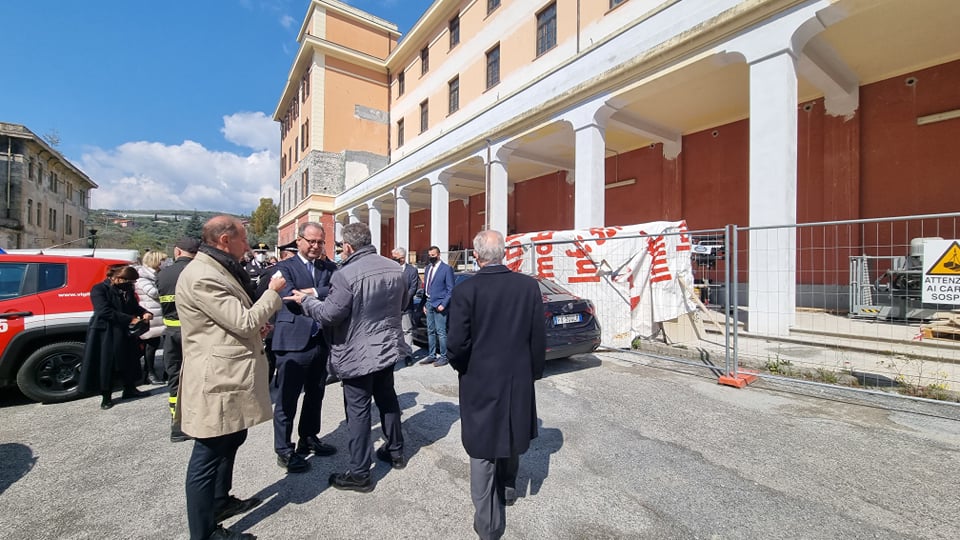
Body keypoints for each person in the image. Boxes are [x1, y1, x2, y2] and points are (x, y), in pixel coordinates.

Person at [177, 215, 285, 540]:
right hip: (217, 378)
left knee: (231, 439)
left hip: (230, 373)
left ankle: (220, 502)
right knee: (208, 455)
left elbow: (230, 323)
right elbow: (243, 322)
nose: (248, 245)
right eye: (243, 238)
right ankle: (204, 532)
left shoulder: (218, 268)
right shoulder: (203, 275)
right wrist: (272, 293)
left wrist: (256, 327)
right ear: (225, 240)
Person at [286, 222, 407, 493]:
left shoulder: (346, 274)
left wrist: (306, 301)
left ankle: (360, 473)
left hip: (358, 353)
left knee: (358, 411)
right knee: (387, 399)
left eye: (341, 247)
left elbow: (329, 315)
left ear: (349, 247)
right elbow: (403, 303)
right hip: (386, 348)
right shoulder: (393, 267)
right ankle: (396, 451)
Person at [446, 230, 546, 540]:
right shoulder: (528, 286)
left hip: (480, 378)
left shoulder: (466, 290)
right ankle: (508, 488)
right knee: (511, 429)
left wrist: (463, 368)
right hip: (517, 376)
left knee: (482, 446)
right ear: (504, 253)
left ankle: (488, 525)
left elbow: (456, 344)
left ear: (476, 256)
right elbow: (537, 337)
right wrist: (533, 372)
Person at [270, 222, 338, 473]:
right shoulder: (284, 267)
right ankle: (284, 449)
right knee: (287, 399)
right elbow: (288, 296)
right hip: (293, 342)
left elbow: (337, 291)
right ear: (299, 241)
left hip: (320, 340)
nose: (316, 246)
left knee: (315, 394)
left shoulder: (329, 267)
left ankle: (308, 437)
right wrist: (319, 294)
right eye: (311, 241)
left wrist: (311, 292)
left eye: (320, 242)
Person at [79, 265, 153, 410]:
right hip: (106, 331)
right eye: (130, 281)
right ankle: (106, 396)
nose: (131, 284)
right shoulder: (99, 289)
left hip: (125, 330)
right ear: (119, 278)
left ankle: (130, 389)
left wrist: (144, 312)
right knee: (108, 363)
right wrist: (130, 319)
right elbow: (103, 311)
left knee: (130, 359)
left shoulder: (127, 289)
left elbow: (133, 306)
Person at [157, 237, 200, 442]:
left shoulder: (163, 274)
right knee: (196, 378)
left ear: (177, 251)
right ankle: (195, 421)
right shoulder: (199, 272)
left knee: (175, 377)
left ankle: (177, 423)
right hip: (195, 333)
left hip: (171, 332)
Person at [135, 249, 167, 385]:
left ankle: (155, 373)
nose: (164, 263)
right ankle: (149, 373)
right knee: (151, 346)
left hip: (158, 315)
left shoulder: (155, 275)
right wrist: (166, 286)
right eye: (162, 260)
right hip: (151, 315)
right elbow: (153, 292)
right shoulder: (143, 277)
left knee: (156, 345)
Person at [421, 244, 454, 366]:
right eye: (430, 255)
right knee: (430, 331)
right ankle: (432, 355)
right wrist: (425, 303)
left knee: (441, 332)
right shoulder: (428, 268)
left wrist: (443, 304)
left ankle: (444, 357)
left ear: (439, 255)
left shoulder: (446, 269)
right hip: (429, 302)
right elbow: (426, 287)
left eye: (433, 255)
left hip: (440, 304)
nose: (431, 257)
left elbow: (450, 289)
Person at [391, 247, 420, 367]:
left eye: (395, 257)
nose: (393, 259)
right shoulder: (391, 268)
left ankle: (408, 355)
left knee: (407, 330)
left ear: (402, 258)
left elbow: (413, 288)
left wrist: (403, 300)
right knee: (394, 331)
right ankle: (395, 353)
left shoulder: (412, 271)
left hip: (406, 306)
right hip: (392, 306)